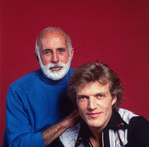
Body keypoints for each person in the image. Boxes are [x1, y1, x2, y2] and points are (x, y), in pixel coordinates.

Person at [2, 27, 80, 147]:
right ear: (38, 57)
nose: (55, 59)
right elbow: (17, 144)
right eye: (47, 52)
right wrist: (65, 123)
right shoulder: (18, 90)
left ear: (71, 53)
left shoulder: (84, 80)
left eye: (61, 51)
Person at [59, 61, 149, 147]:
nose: (91, 106)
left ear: (113, 98)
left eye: (100, 96)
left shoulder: (136, 127)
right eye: (83, 98)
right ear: (76, 101)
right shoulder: (67, 138)